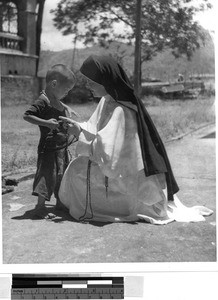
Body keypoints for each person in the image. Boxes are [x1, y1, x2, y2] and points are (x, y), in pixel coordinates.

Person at [59, 55, 213, 224]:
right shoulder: (107, 100)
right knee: (77, 167)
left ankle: (126, 206)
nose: (88, 86)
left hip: (130, 180)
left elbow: (109, 155)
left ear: (105, 81)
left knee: (76, 172)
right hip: (123, 170)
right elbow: (95, 129)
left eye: (91, 82)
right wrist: (79, 127)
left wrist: (78, 134)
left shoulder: (120, 109)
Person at [23, 64, 78, 218]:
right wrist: (46, 123)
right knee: (47, 174)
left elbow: (59, 105)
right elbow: (27, 115)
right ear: (54, 84)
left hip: (61, 146)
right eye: (66, 90)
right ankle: (40, 206)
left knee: (62, 174)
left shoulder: (55, 99)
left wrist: (68, 109)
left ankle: (60, 202)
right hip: (48, 147)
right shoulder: (42, 100)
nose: (66, 94)